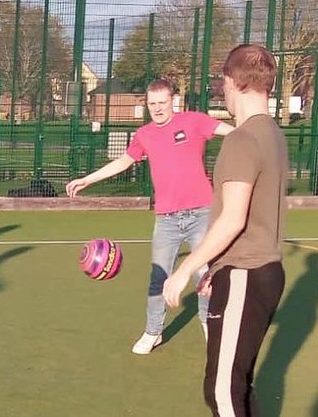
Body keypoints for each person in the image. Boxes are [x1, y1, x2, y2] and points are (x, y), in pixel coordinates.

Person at [159, 44, 288, 417]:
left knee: (221, 384)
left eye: (222, 84)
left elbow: (232, 219)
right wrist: (217, 269)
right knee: (239, 379)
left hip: (248, 274)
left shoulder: (240, 140)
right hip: (262, 270)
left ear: (231, 83)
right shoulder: (271, 133)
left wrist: (187, 267)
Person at [66, 79, 232, 354]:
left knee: (204, 274)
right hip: (167, 219)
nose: (157, 108)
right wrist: (87, 179)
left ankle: (208, 325)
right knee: (159, 277)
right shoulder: (144, 135)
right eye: (152, 103)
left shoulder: (194, 121)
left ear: (172, 101)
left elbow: (233, 132)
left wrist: (255, 135)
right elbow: (123, 162)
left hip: (201, 212)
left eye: (162, 103)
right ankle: (153, 332)